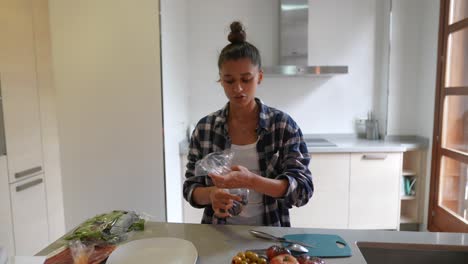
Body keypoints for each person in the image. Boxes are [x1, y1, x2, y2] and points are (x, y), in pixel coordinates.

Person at [183, 21, 313, 227]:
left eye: (246, 79)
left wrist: (252, 181)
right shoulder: (205, 128)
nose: (238, 88)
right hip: (218, 234)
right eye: (229, 80)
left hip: (270, 233)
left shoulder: (282, 126)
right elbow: (190, 188)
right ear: (220, 80)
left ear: (259, 77)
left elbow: (303, 191)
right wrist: (212, 195)